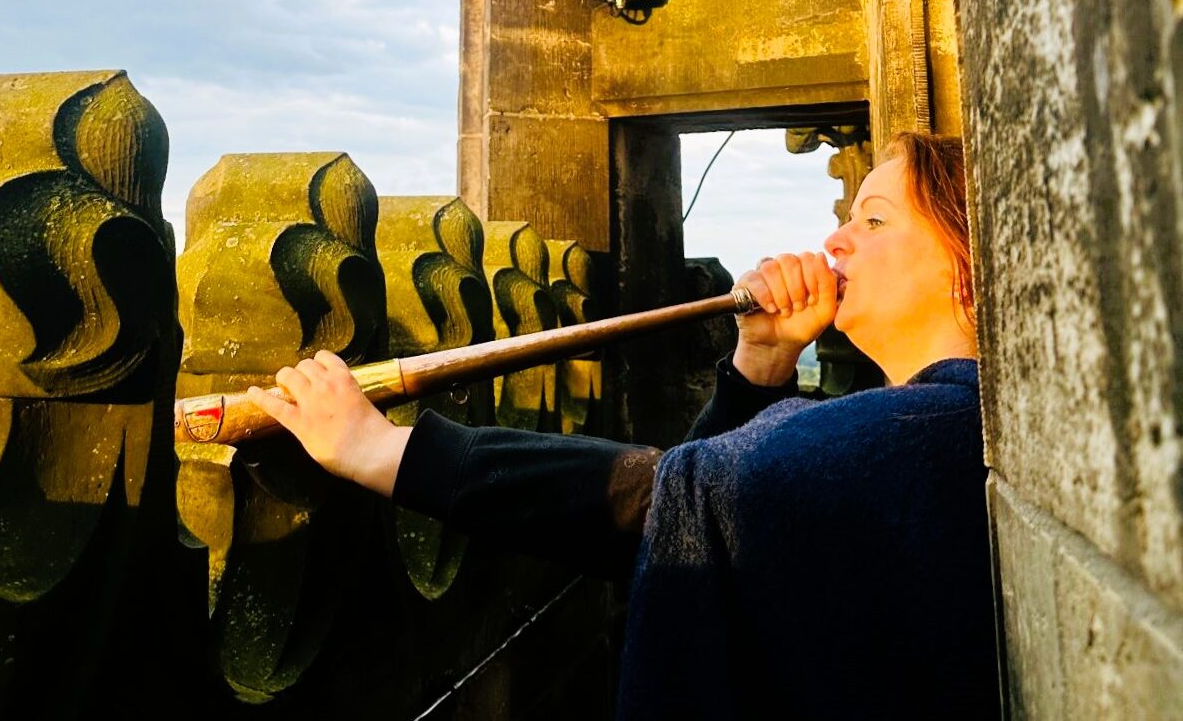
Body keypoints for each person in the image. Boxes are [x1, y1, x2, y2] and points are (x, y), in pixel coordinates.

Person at [249, 133, 998, 720]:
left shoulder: (918, 432)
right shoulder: (944, 425)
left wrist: (386, 450)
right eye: (846, 217)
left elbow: (668, 497)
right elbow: (705, 516)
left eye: (874, 220)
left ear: (969, 266)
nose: (836, 242)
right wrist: (761, 360)